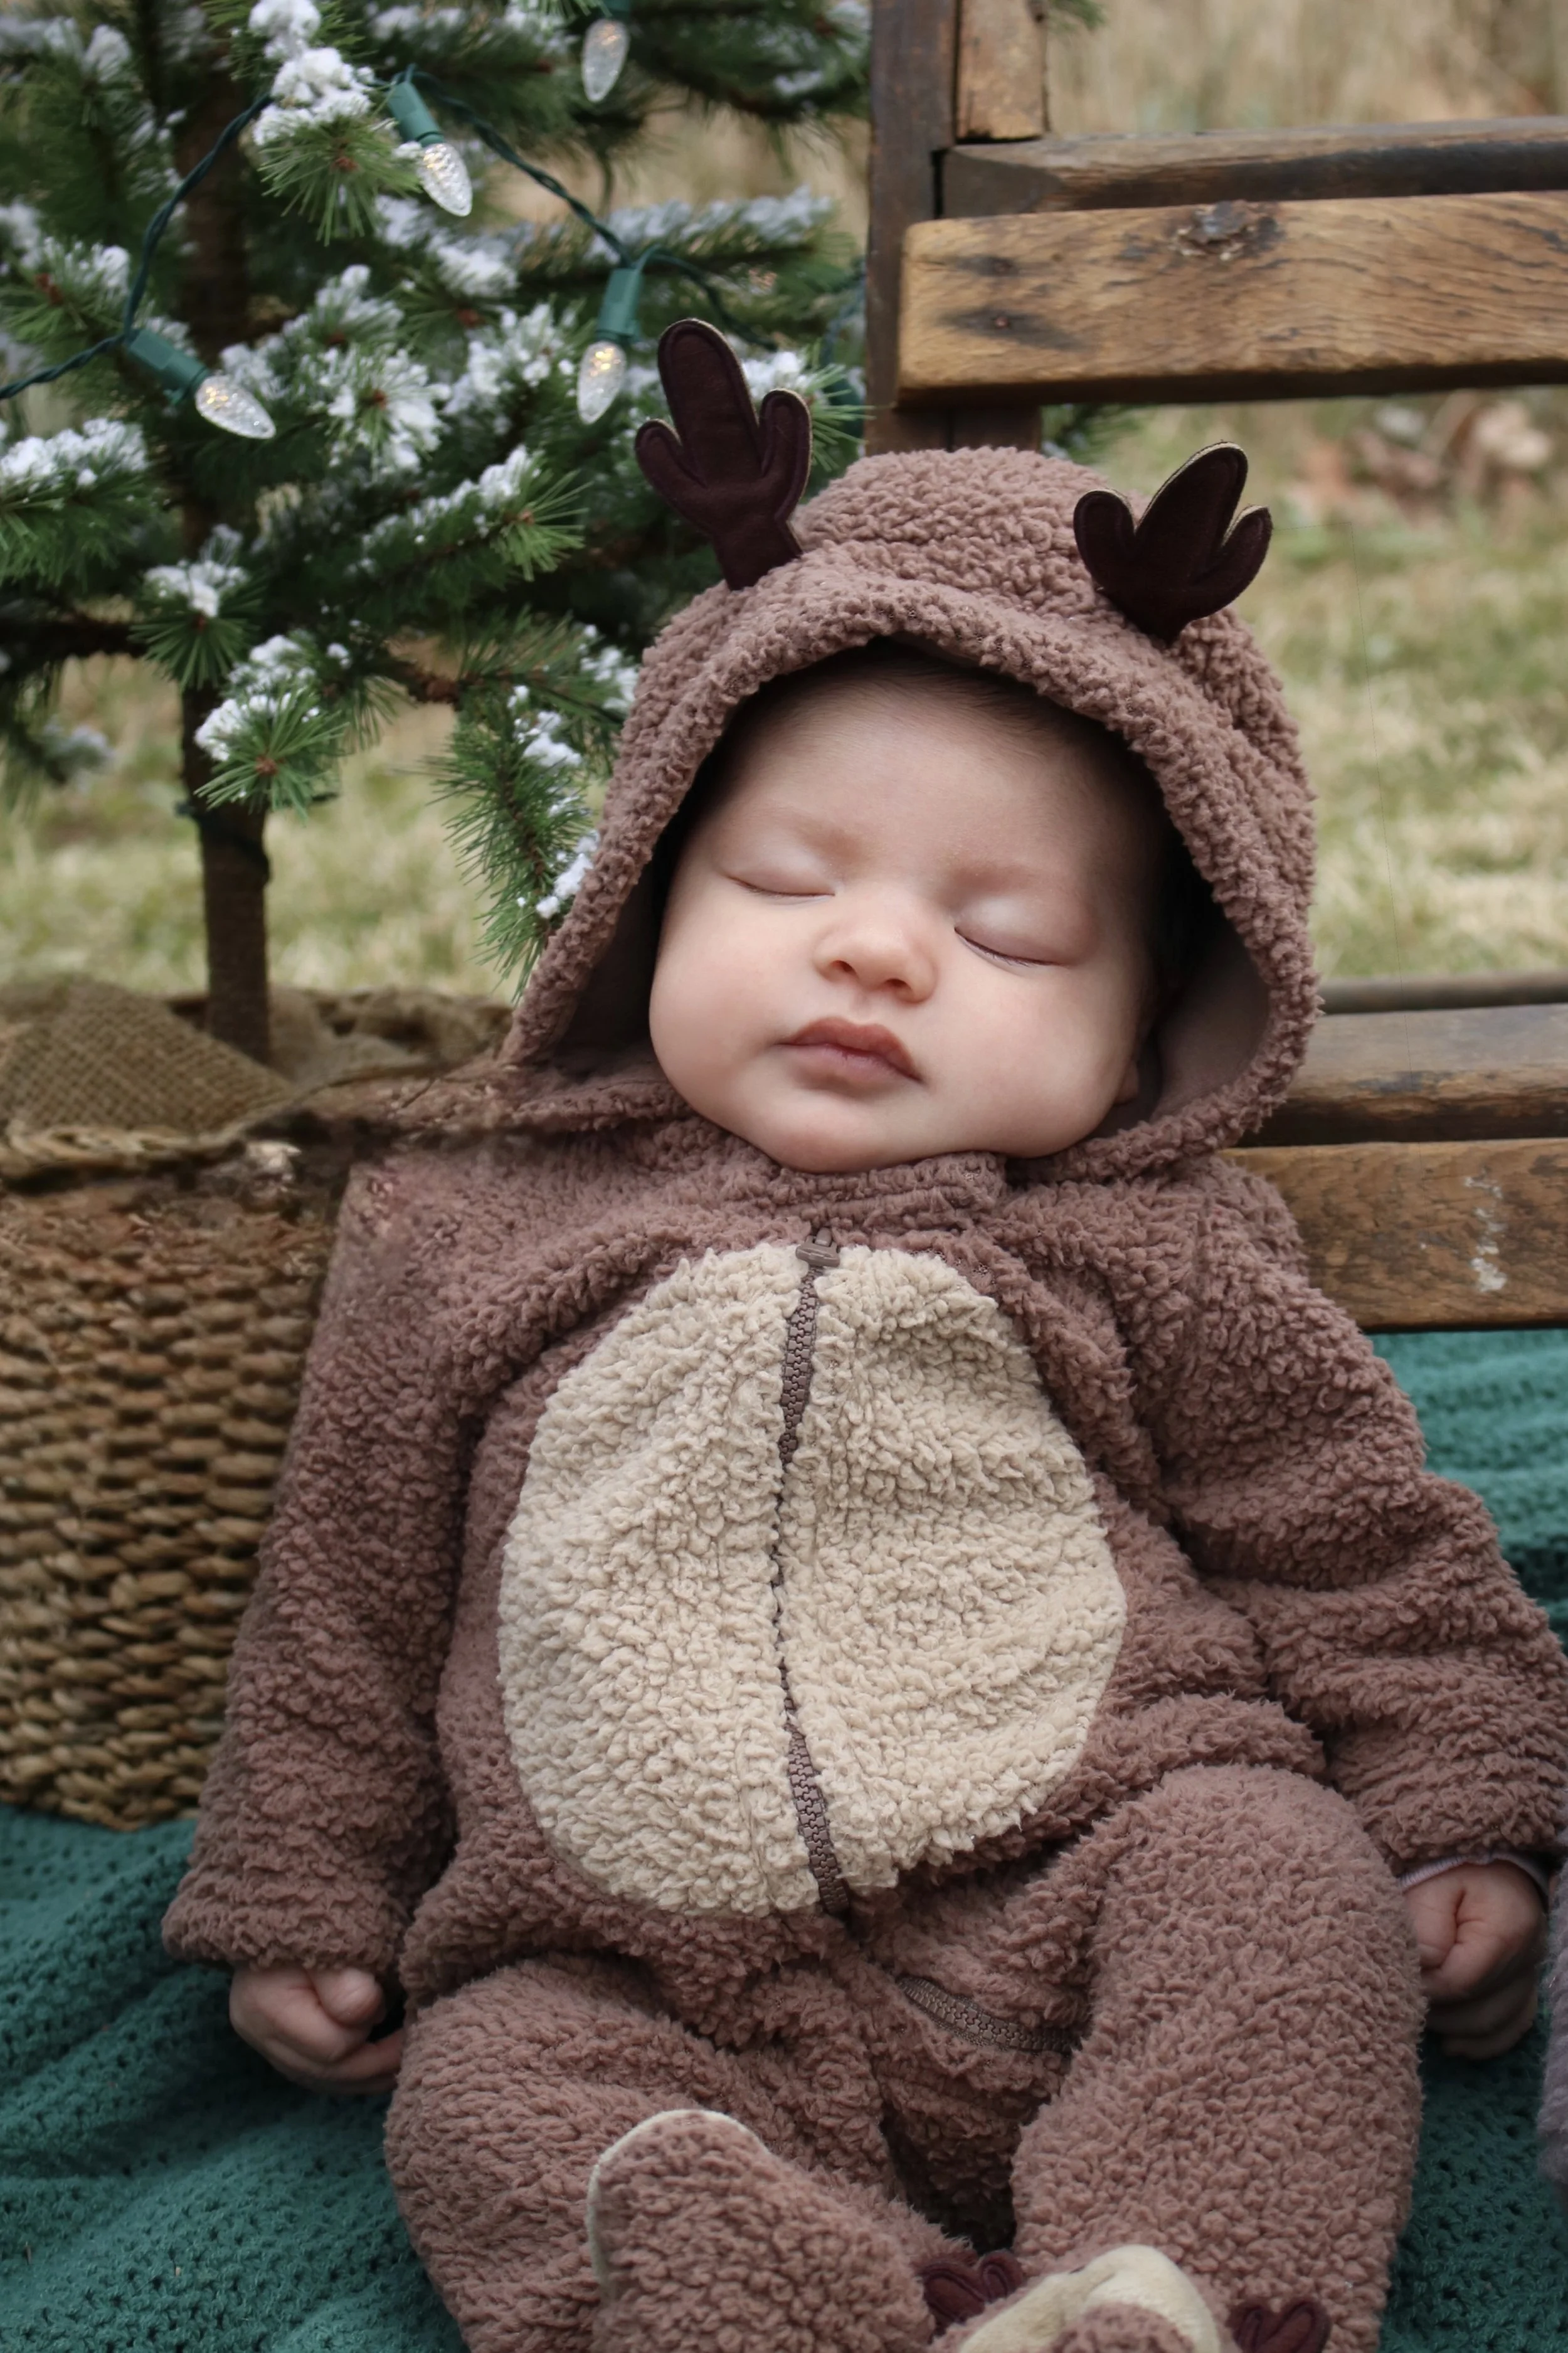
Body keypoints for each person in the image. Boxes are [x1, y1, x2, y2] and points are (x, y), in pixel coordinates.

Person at [164, 334, 1568, 2353]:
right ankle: (801, 2309)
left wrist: (1458, 1817)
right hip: (642, 1974)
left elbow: (1349, 1534)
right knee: (488, 2098)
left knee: (1272, 1886)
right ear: (646, 899)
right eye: (781, 879)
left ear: (1142, 1029)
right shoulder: (465, 1233)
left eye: (1000, 935)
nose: (873, 948)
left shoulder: (1150, 1249)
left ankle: (1157, 2299)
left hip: (1082, 1876)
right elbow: (345, 1600)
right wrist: (300, 1897)